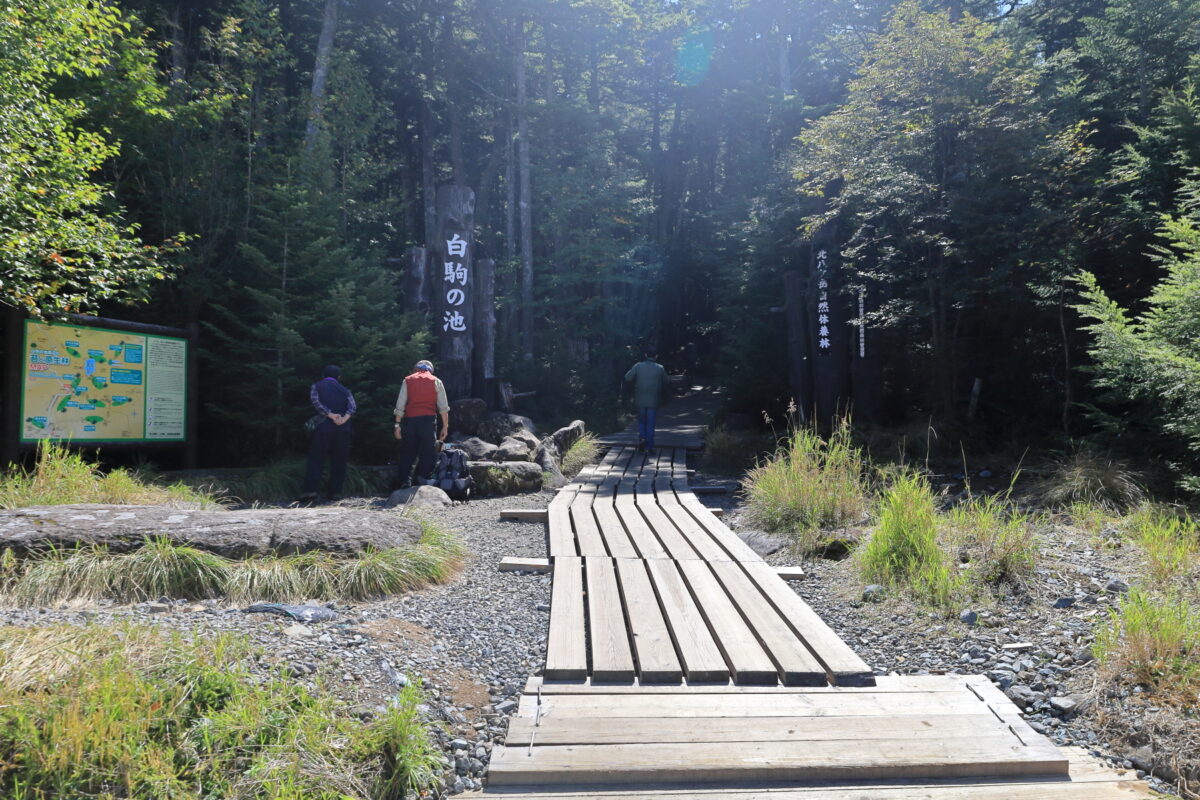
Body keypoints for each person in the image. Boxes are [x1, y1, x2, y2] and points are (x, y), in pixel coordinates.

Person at [300, 364, 355, 502]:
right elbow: (352, 407)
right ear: (339, 377)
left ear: (323, 375)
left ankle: (310, 491)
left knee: (316, 459)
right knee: (340, 461)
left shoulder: (317, 386)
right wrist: (343, 419)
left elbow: (316, 402)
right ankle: (335, 493)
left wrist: (330, 414)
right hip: (343, 429)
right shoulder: (345, 390)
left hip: (323, 427)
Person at [393, 359, 449, 489]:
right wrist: (445, 427)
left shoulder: (407, 380)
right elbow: (443, 408)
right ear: (431, 370)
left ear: (415, 369)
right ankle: (422, 481)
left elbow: (400, 405)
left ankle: (405, 481)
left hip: (410, 421)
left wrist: (397, 425)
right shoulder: (436, 381)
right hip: (428, 421)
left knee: (407, 452)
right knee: (428, 452)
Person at [624, 346, 668, 451]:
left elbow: (627, 377)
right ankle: (649, 446)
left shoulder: (638, 366)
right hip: (653, 400)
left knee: (642, 421)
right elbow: (666, 381)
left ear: (645, 355)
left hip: (640, 400)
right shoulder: (660, 368)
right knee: (650, 424)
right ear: (656, 356)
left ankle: (642, 438)